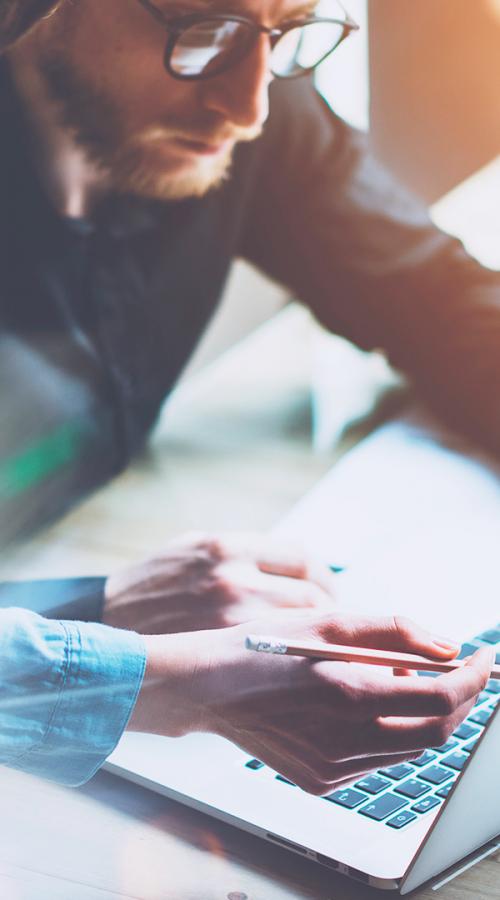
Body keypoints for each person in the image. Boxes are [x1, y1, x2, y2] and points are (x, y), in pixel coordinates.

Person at [0, 0, 496, 787]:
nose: (251, 108)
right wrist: (101, 618)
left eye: (288, 29)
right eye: (200, 32)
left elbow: (434, 298)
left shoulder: (247, 104)